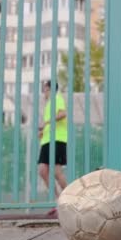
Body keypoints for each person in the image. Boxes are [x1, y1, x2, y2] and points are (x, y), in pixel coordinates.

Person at [38, 81, 69, 217]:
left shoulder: (57, 98)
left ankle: (70, 200)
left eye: (44, 90)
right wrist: (43, 131)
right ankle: (59, 201)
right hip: (47, 140)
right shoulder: (48, 104)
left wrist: (48, 121)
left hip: (57, 139)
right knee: (43, 170)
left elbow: (62, 114)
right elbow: (49, 122)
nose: (43, 93)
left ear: (50, 89)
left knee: (56, 171)